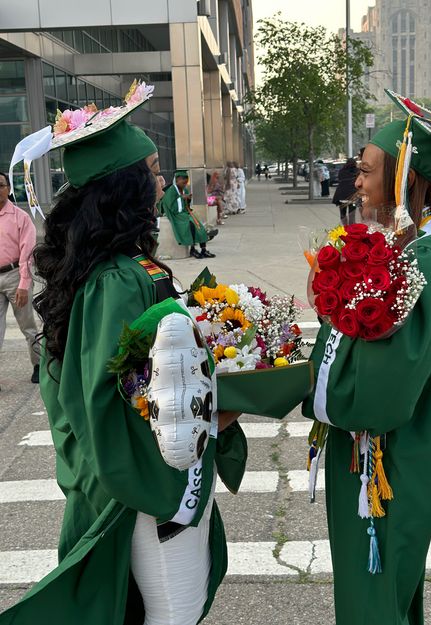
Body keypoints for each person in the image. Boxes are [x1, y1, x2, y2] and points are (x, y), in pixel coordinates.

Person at [0, 86, 245, 625]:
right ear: (124, 187)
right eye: (153, 171)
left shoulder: (111, 267)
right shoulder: (115, 281)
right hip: (136, 489)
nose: (161, 182)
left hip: (123, 478)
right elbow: (107, 401)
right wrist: (201, 432)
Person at [302, 91, 431, 625]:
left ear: (404, 178)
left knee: (374, 601)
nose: (357, 180)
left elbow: (385, 385)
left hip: (390, 462)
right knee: (392, 594)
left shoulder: (424, 260)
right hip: (404, 453)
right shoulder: (419, 248)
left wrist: (313, 365)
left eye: (368, 170)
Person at [0, 171, 40, 387]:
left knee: (28, 326)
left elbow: (28, 254)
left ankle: (38, 365)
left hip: (16, 276)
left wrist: (24, 284)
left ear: (8, 188)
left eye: (1, 185)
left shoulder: (20, 217)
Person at [160, 170, 216, 259]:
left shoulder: (184, 189)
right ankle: (192, 249)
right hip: (176, 214)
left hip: (184, 212)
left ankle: (203, 249)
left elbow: (186, 205)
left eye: (186, 182)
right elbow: (170, 206)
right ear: (177, 180)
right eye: (183, 182)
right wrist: (182, 197)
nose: (184, 185)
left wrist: (188, 199)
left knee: (199, 225)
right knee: (190, 224)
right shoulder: (171, 191)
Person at [331, 158, 358, 225]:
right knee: (352, 213)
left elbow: (340, 179)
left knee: (343, 213)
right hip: (353, 195)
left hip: (341, 195)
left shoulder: (342, 171)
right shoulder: (357, 171)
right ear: (355, 163)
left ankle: (345, 226)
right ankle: (352, 228)